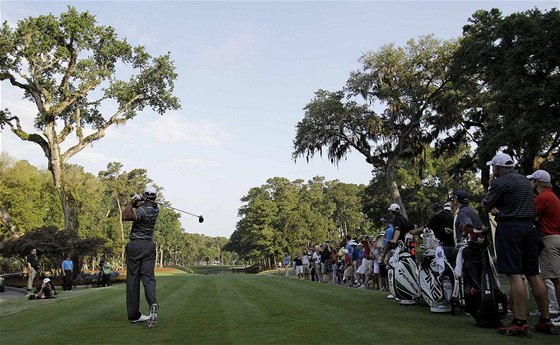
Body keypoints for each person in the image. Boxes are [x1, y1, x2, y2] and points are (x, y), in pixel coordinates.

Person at [482, 153, 555, 336]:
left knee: (515, 274)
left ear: (498, 168)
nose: (492, 170)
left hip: (511, 227)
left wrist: (492, 186)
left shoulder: (500, 182)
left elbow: (486, 205)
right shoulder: (524, 180)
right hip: (530, 228)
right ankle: (546, 320)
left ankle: (520, 321)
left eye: (493, 167)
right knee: (534, 273)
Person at [122, 185, 160, 327]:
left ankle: (134, 315)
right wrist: (138, 200)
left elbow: (125, 216)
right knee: (149, 278)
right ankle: (153, 303)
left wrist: (132, 202)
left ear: (145, 196)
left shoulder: (142, 211)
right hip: (149, 247)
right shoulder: (156, 209)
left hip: (136, 246)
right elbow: (144, 204)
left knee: (133, 280)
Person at [527, 169, 560, 326]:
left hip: (549, 239)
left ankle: (556, 311)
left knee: (554, 279)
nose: (531, 183)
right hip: (555, 238)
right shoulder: (551, 196)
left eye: (532, 180)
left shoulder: (543, 197)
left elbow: (529, 213)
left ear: (537, 182)